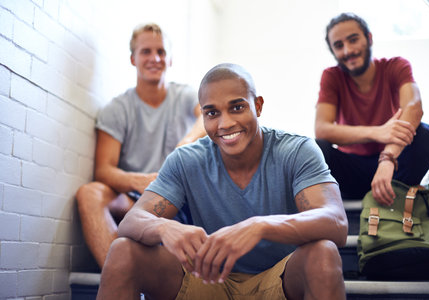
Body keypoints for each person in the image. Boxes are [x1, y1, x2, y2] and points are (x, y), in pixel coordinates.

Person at [96, 63, 348, 300]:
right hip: (207, 280)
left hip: (279, 279)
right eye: (212, 113)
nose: (225, 123)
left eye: (237, 107)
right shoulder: (186, 160)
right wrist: (164, 228)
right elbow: (131, 222)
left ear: (258, 106)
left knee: (323, 253)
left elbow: (335, 222)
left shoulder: (297, 150)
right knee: (123, 251)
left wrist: (260, 226)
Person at [75, 23, 205, 268]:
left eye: (161, 52)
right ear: (133, 59)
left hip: (175, 199)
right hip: (134, 198)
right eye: (146, 52)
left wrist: (187, 141)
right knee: (89, 193)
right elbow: (103, 170)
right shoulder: (117, 109)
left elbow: (209, 116)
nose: (155, 58)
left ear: (170, 59)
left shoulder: (186, 95)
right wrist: (140, 181)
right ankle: (121, 276)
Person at [315, 12, 429, 206]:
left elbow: (414, 108)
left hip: (393, 168)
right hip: (352, 169)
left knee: (424, 134)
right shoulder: (332, 76)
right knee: (317, 148)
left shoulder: (397, 66)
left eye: (353, 40)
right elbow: (322, 129)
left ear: (369, 39)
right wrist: (378, 132)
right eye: (339, 46)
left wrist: (387, 158)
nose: (348, 51)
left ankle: (397, 190)